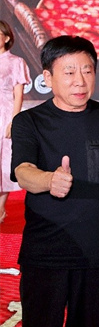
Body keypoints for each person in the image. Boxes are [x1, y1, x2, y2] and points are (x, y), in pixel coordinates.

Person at [11, 35, 99, 327]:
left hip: (97, 252)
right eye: (69, 72)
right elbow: (23, 171)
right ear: (47, 78)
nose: (80, 81)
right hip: (46, 252)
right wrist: (50, 180)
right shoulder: (29, 121)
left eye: (87, 71)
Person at [0, 20, 30, 223]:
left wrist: (14, 120)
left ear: (7, 38)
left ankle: (0, 209)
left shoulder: (16, 62)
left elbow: (18, 95)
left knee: (3, 161)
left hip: (4, 114)